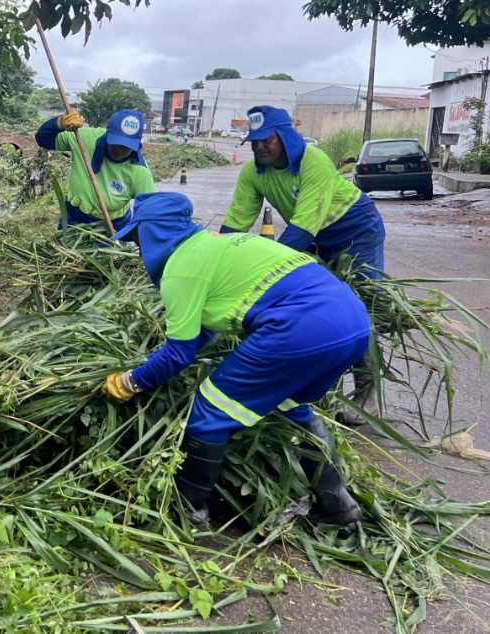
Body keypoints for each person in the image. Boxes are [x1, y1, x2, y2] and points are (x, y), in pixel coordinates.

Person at [100, 191, 369, 527]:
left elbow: (178, 353)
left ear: (154, 232)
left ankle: (189, 513)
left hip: (300, 326)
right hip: (352, 322)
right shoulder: (218, 244)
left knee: (210, 409)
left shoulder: (181, 268)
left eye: (138, 238)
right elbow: (207, 329)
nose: (138, 250)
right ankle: (338, 506)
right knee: (290, 406)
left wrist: (130, 381)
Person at [221, 105, 386, 425]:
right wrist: (217, 258)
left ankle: (368, 394)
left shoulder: (314, 163)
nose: (259, 147)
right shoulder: (254, 173)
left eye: (266, 139)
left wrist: (265, 274)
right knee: (311, 307)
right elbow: (235, 224)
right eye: (253, 142)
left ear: (286, 136)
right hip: (313, 234)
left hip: (355, 229)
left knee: (358, 306)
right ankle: (319, 383)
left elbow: (301, 231)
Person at [35, 108, 155, 234]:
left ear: (138, 143)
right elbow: (43, 140)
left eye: (126, 146)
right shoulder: (84, 139)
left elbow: (150, 214)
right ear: (107, 134)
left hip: (112, 224)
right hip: (74, 216)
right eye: (115, 143)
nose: (119, 149)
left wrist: (139, 234)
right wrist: (58, 123)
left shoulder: (140, 173)